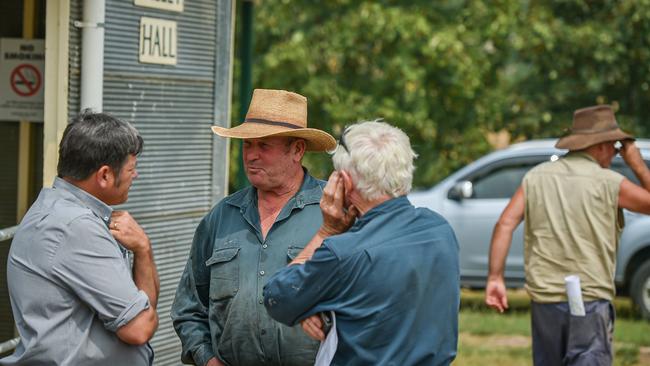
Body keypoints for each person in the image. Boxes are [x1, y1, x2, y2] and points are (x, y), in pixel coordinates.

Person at [263, 120, 460, 366]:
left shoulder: (343, 253)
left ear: (345, 181)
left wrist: (326, 231)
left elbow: (278, 298)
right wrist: (318, 301)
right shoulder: (439, 230)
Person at [171, 89, 337, 366]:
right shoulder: (221, 217)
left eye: (264, 146)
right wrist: (207, 360)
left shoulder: (333, 212)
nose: (251, 155)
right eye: (248, 145)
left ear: (297, 150)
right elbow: (188, 309)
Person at [485, 105, 650, 365]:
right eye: (614, 146)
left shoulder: (536, 177)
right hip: (590, 300)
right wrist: (638, 166)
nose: (615, 154)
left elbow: (504, 223)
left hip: (545, 302)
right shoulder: (609, 182)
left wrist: (496, 277)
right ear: (600, 146)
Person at [2, 110, 159, 365]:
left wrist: (142, 248)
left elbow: (142, 314)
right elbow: (140, 327)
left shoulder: (54, 209)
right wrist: (144, 249)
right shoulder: (76, 227)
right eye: (132, 168)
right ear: (105, 175)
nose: (136, 176)